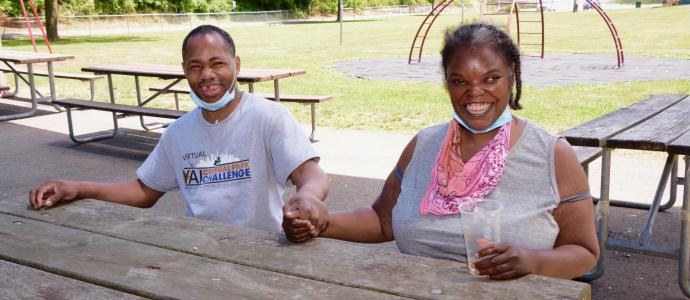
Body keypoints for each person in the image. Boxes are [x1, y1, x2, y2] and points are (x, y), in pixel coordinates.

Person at [283, 23, 599, 280]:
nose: (475, 93)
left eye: (491, 78)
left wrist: (532, 261)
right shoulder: (423, 146)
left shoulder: (552, 155)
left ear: (512, 76)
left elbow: (585, 253)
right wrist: (318, 223)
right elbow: (383, 221)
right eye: (460, 80)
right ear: (446, 82)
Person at [29, 25, 329, 234]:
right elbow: (143, 191)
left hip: (262, 251)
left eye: (217, 63)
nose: (207, 75)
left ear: (236, 64)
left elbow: (310, 174)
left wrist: (309, 197)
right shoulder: (178, 133)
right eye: (195, 66)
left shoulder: (268, 117)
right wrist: (79, 189)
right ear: (184, 70)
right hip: (197, 249)